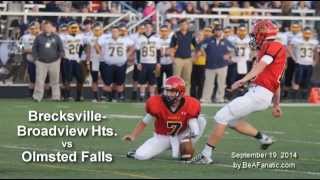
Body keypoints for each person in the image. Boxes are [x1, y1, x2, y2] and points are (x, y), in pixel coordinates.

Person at [191, 20, 287, 164]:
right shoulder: (269, 48)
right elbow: (276, 82)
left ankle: (206, 154)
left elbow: (261, 66)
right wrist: (276, 104)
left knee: (221, 116)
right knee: (232, 121)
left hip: (259, 93)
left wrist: (243, 80)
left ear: (262, 33)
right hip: (261, 94)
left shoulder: (275, 45)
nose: (254, 37)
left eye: (256, 34)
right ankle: (264, 138)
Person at [123, 76, 207, 160]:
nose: (168, 94)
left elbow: (194, 128)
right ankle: (140, 151)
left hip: (181, 135)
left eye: (172, 91)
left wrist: (188, 139)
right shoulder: (157, 103)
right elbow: (144, 122)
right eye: (167, 91)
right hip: (162, 137)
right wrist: (133, 135)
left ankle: (185, 148)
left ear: (180, 92)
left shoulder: (190, 104)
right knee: (140, 156)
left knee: (201, 120)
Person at [96, 26, 135, 102]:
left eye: (116, 31)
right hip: (108, 63)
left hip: (120, 64)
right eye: (113, 32)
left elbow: (133, 46)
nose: (115, 33)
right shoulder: (106, 39)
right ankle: (106, 96)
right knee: (107, 82)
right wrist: (101, 53)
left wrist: (128, 54)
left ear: (119, 32)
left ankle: (119, 96)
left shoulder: (125, 40)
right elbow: (96, 44)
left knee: (119, 82)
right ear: (111, 32)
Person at [199, 26, 234, 103]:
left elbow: (233, 49)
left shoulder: (225, 41)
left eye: (219, 31)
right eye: (216, 31)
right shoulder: (208, 40)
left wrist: (228, 55)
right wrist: (205, 54)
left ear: (221, 32)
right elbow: (201, 46)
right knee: (208, 83)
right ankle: (206, 98)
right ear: (214, 32)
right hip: (210, 65)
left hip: (222, 65)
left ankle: (219, 98)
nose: (218, 32)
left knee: (221, 83)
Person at [32, 20, 64, 102]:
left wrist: (60, 57)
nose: (47, 28)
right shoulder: (39, 37)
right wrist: (35, 59)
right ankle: (37, 97)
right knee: (39, 80)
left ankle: (56, 97)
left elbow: (61, 49)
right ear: (43, 28)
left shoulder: (56, 37)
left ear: (52, 28)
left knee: (55, 80)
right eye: (45, 27)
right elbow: (34, 49)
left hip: (54, 62)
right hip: (41, 62)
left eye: (49, 27)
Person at [289, 27, 319, 100]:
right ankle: (294, 97)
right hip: (300, 63)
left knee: (306, 81)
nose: (307, 35)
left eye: (309, 33)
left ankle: (303, 97)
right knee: (297, 80)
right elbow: (289, 48)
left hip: (309, 64)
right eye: (306, 33)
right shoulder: (297, 40)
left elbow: (316, 52)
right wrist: (294, 58)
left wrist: (315, 61)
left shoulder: (314, 42)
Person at [170, 19, 198, 95]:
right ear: (179, 26)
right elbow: (172, 46)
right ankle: (175, 95)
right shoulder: (176, 34)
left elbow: (196, 46)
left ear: (188, 25)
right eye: (182, 25)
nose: (184, 26)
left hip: (188, 59)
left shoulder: (191, 34)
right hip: (178, 58)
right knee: (176, 79)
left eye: (185, 24)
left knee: (187, 79)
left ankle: (186, 95)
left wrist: (195, 57)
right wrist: (172, 58)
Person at [60, 21, 85, 101]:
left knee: (80, 79)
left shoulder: (81, 36)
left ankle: (78, 96)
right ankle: (67, 96)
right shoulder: (63, 37)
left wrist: (80, 56)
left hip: (77, 60)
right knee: (67, 79)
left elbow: (83, 46)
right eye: (72, 28)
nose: (74, 29)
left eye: (75, 28)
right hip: (68, 60)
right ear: (68, 29)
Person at [135, 21, 161, 101]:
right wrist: (138, 62)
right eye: (146, 27)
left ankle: (151, 96)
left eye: (149, 27)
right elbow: (138, 51)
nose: (148, 29)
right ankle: (142, 96)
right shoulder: (140, 38)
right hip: (143, 62)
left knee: (152, 81)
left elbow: (158, 51)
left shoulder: (156, 38)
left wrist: (158, 62)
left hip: (153, 63)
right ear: (144, 29)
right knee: (142, 81)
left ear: (152, 28)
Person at [20, 21, 40, 97]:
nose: (34, 30)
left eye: (35, 28)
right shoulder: (24, 37)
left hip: (41, 60)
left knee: (42, 78)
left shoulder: (41, 36)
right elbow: (20, 48)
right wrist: (27, 50)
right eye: (32, 28)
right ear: (29, 29)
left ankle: (41, 93)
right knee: (32, 77)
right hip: (30, 59)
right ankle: (32, 94)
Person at [85, 22, 104, 102]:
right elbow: (88, 50)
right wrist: (88, 61)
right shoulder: (90, 38)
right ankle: (95, 96)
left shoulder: (105, 38)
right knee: (95, 79)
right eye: (95, 29)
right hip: (94, 60)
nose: (97, 31)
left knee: (104, 79)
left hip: (103, 60)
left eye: (98, 29)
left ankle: (104, 95)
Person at [157, 25, 174, 94]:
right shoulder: (157, 40)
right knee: (159, 80)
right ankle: (159, 95)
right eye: (162, 31)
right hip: (159, 63)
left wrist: (170, 52)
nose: (164, 32)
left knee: (170, 80)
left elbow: (175, 50)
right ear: (160, 32)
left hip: (169, 62)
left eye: (165, 31)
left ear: (168, 32)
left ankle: (169, 94)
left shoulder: (171, 40)